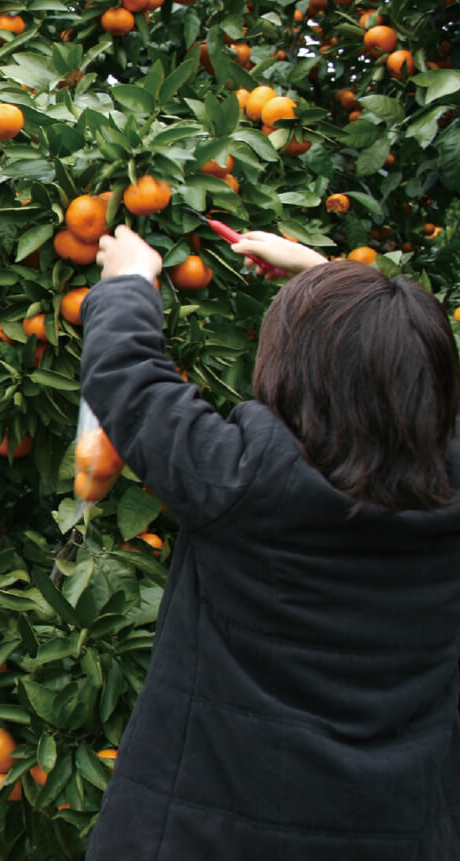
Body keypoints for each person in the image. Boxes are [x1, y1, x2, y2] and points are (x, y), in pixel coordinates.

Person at [80, 226, 460, 859]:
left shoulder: (239, 483)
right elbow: (402, 370)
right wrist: (325, 282)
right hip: (396, 830)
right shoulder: (448, 498)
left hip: (210, 835)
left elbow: (129, 381)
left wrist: (126, 282)